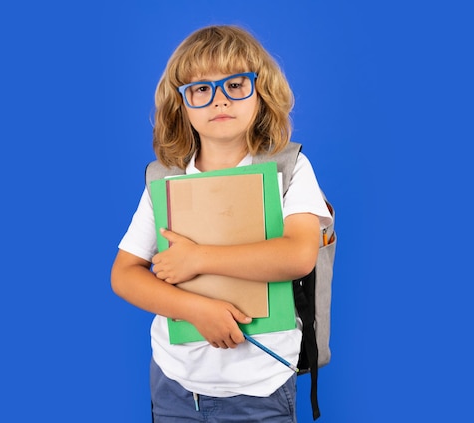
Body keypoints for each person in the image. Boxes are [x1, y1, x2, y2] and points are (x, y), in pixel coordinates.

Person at [111, 24, 332, 422]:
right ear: (182, 104)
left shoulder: (289, 168)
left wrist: (198, 259)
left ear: (260, 93)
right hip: (175, 385)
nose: (218, 101)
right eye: (201, 89)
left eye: (235, 85)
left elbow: (299, 255)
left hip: (260, 388)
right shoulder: (165, 178)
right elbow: (124, 274)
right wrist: (195, 309)